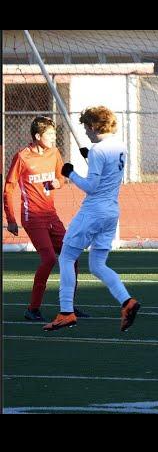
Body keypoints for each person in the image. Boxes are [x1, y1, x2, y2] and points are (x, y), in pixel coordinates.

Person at [43, 106, 140, 332]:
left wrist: (71, 174)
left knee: (66, 257)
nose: (85, 132)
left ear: (94, 126)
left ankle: (66, 312)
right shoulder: (119, 146)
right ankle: (127, 301)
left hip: (93, 211)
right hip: (111, 212)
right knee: (97, 265)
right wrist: (91, 157)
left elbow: (92, 187)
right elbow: (108, 172)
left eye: (87, 127)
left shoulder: (98, 150)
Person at [3, 116, 89, 321]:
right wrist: (11, 219)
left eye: (53, 133)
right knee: (50, 259)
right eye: (49, 134)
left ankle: (68, 307)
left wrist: (58, 183)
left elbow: (61, 176)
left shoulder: (54, 153)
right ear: (37, 136)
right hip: (32, 217)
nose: (53, 137)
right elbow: (8, 188)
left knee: (72, 255)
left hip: (51, 215)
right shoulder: (22, 157)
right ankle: (33, 309)